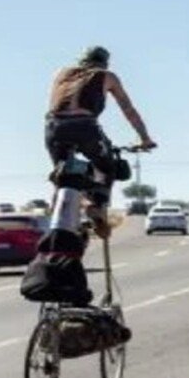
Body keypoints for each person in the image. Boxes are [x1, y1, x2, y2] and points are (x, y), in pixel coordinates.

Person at [45, 46, 156, 237]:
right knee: (108, 166)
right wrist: (144, 138)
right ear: (104, 62)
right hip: (85, 127)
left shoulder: (61, 74)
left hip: (53, 128)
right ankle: (97, 207)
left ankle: (57, 212)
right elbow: (128, 110)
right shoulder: (107, 76)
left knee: (62, 174)